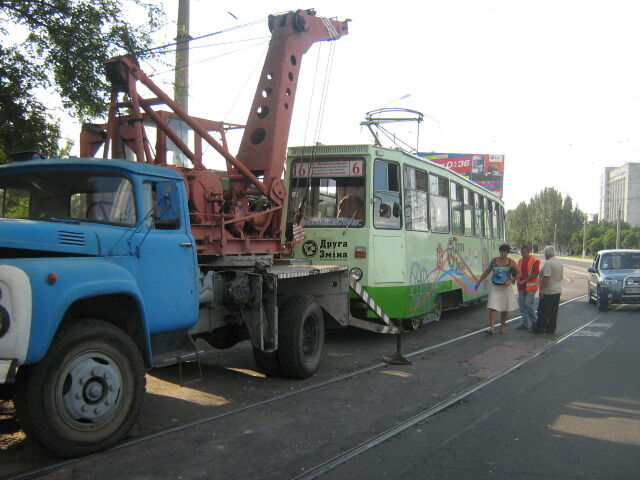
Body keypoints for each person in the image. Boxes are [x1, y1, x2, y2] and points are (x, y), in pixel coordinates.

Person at [474, 244, 520, 334]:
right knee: (492, 306)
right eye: (502, 252)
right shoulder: (494, 260)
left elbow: (519, 273)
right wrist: (479, 282)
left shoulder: (511, 262)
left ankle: (502, 327)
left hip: (506, 287)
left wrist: (510, 280)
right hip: (495, 286)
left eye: (505, 252)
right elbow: (487, 271)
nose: (503, 254)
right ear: (499, 251)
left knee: (505, 307)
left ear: (508, 252)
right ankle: (492, 328)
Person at [533, 245, 563, 334]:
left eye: (544, 254)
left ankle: (539, 328)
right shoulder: (559, 262)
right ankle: (551, 329)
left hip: (548, 291)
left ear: (547, 254)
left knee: (543, 311)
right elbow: (561, 277)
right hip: (557, 290)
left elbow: (546, 278)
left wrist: (541, 289)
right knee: (553, 312)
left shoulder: (548, 263)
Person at [516, 245, 540, 330]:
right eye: (521, 252)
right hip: (521, 287)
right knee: (522, 305)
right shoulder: (520, 261)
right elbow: (518, 272)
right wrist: (517, 280)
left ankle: (534, 322)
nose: (522, 254)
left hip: (530, 287)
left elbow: (535, 274)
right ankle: (524, 323)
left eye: (524, 253)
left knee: (528, 304)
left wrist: (524, 281)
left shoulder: (535, 261)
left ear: (529, 252)